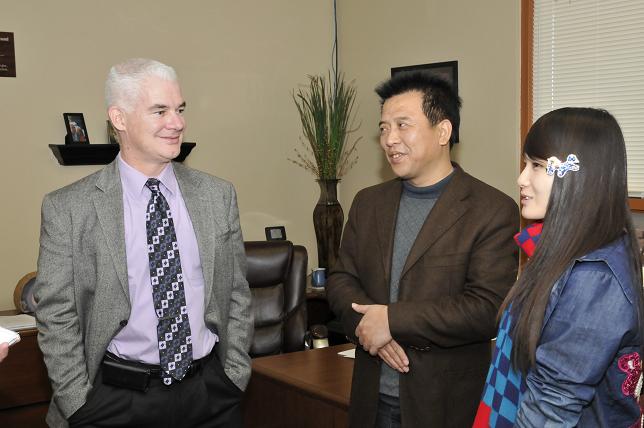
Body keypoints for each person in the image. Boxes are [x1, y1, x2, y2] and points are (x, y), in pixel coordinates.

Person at [34, 58, 253, 428]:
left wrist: (234, 374)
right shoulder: (68, 208)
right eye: (160, 110)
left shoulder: (218, 196)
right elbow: (56, 313)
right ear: (119, 119)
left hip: (211, 395)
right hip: (114, 401)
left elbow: (236, 292)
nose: (178, 122)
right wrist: (76, 401)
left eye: (180, 109)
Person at [325, 72, 519, 427]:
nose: (389, 139)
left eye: (403, 125)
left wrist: (392, 321)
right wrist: (371, 330)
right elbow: (341, 279)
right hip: (372, 399)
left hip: (442, 405)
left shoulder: (491, 210)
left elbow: (486, 307)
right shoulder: (368, 203)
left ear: (443, 132)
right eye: (383, 128)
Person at [473, 107, 644, 427]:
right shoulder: (562, 252)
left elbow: (551, 408)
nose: (521, 178)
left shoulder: (595, 278)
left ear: (579, 175)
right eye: (525, 163)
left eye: (536, 166)